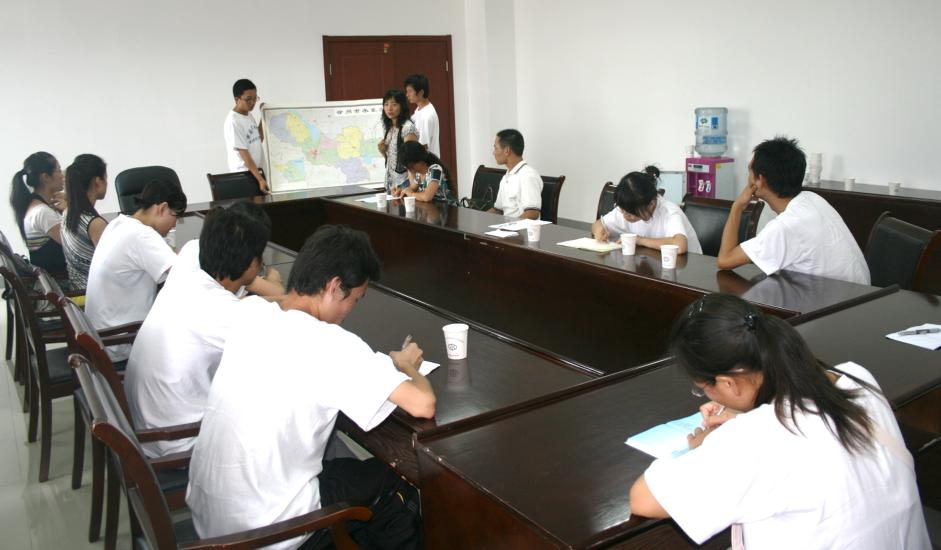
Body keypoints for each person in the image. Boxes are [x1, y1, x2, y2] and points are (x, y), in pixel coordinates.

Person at [186, 224, 436, 550]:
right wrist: (406, 367)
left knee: (343, 464)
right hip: (268, 534)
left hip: (212, 519)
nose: (350, 312)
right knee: (398, 481)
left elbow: (284, 308)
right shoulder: (329, 343)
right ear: (334, 287)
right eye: (355, 299)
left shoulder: (250, 312)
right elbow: (422, 404)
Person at [629, 294, 929, 550]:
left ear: (729, 383)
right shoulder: (857, 380)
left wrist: (705, 446)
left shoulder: (754, 439)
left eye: (702, 388)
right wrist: (743, 415)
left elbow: (643, 500)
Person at [125, 203, 269, 458]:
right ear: (252, 265)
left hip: (149, 426)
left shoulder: (187, 275)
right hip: (179, 445)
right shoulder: (225, 312)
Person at [716, 137, 870, 285]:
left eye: (749, 170)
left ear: (760, 180)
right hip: (862, 293)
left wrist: (737, 207)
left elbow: (725, 260)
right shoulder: (812, 198)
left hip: (840, 300)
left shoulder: (786, 226)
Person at [85, 179, 187, 365]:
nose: (174, 224)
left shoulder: (118, 223)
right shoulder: (142, 235)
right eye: (175, 216)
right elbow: (185, 275)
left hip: (101, 338)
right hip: (122, 343)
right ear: (162, 208)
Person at [591, 166, 702, 254]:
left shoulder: (669, 212)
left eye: (630, 213)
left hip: (688, 269)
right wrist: (599, 232)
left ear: (651, 204)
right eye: (622, 210)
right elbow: (598, 223)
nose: (624, 216)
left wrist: (639, 240)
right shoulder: (627, 207)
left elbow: (680, 246)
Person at [9, 152, 67, 277]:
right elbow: (75, 246)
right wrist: (70, 209)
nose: (62, 175)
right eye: (58, 170)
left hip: (56, 279)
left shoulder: (36, 207)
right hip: (63, 283)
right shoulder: (42, 212)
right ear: (45, 177)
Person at [61, 154, 109, 288]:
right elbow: (113, 266)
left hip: (77, 290)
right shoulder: (95, 224)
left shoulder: (68, 213)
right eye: (106, 178)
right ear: (97, 182)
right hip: (93, 293)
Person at [224, 78, 268, 193]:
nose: (253, 103)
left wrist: (264, 115)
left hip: (256, 174)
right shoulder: (234, 121)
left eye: (255, 98)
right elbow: (244, 155)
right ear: (236, 99)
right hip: (245, 177)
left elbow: (259, 138)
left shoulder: (248, 115)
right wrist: (260, 179)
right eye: (248, 99)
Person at [488, 129, 543, 220]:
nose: (493, 152)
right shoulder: (506, 177)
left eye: (496, 148)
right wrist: (478, 219)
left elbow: (532, 214)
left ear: (507, 151)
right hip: (506, 226)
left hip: (521, 228)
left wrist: (509, 226)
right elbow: (498, 210)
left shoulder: (528, 175)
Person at [378, 89, 418, 193]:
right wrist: (383, 151)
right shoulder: (388, 127)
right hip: (391, 182)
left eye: (394, 104)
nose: (389, 108)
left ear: (402, 106)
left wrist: (409, 187)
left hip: (405, 183)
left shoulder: (408, 128)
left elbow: (412, 161)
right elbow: (393, 158)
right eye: (386, 104)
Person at [404, 73, 439, 156]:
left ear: (421, 92)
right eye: (407, 91)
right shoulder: (420, 109)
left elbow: (423, 146)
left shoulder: (426, 115)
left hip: (425, 162)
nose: (407, 95)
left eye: (410, 91)